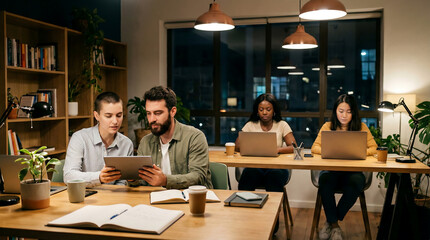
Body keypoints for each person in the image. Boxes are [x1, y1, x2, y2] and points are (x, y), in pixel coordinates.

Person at [311, 94, 377, 240]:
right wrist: (330, 150)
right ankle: (335, 226)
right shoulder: (328, 127)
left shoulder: (361, 127)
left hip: (352, 173)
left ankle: (331, 221)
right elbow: (314, 147)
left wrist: (359, 152)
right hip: (331, 171)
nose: (344, 115)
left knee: (357, 183)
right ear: (335, 111)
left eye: (348, 111)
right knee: (325, 181)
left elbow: (374, 148)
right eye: (341, 111)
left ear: (353, 112)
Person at [136, 86, 212, 189]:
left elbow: (198, 177)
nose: (152, 119)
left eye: (158, 113)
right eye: (149, 113)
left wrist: (165, 180)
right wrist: (132, 178)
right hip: (156, 199)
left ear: (173, 111)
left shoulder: (195, 137)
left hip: (190, 200)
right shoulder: (145, 142)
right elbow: (141, 181)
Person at [64, 92, 134, 187]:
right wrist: (99, 177)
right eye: (108, 116)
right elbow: (69, 176)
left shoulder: (127, 143)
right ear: (97, 116)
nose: (115, 121)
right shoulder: (79, 138)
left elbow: (122, 182)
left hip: (114, 198)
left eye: (119, 115)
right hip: (86, 197)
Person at [234, 93, 297, 192]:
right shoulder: (250, 125)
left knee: (273, 176)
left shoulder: (282, 125)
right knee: (249, 174)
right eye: (261, 109)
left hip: (277, 167)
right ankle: (246, 206)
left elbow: (294, 147)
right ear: (257, 111)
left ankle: (273, 207)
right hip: (255, 166)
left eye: (268, 109)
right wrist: (252, 149)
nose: (264, 112)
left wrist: (276, 150)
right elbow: (236, 146)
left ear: (274, 111)